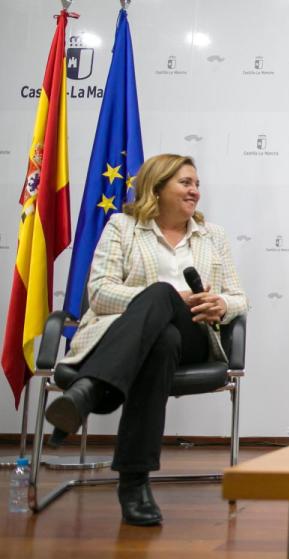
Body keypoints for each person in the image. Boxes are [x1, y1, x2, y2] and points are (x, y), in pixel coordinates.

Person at [45, 154, 248, 526]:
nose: (195, 191)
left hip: (195, 338)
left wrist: (220, 304)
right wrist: (167, 298)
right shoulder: (122, 227)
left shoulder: (212, 235)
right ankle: (134, 483)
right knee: (161, 333)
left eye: (197, 184)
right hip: (143, 341)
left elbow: (239, 297)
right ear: (157, 187)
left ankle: (90, 390)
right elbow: (100, 293)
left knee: (163, 300)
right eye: (185, 183)